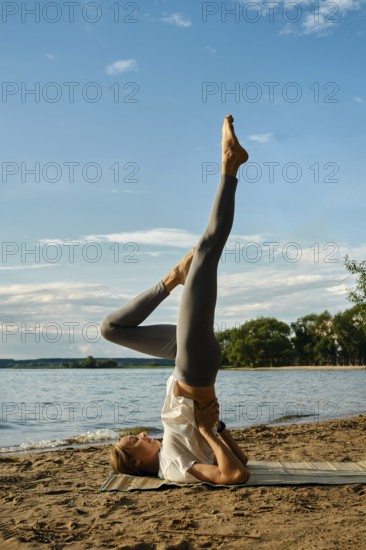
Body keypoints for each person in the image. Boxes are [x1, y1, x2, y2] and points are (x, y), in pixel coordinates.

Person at [101, 115, 250, 485]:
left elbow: (241, 458)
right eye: (135, 441)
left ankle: (172, 279)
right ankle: (230, 166)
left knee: (111, 329)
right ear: (136, 463)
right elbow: (234, 475)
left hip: (187, 360)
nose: (141, 435)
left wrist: (219, 427)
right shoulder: (170, 465)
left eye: (134, 435)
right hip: (194, 368)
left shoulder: (168, 448)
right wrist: (208, 431)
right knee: (206, 249)